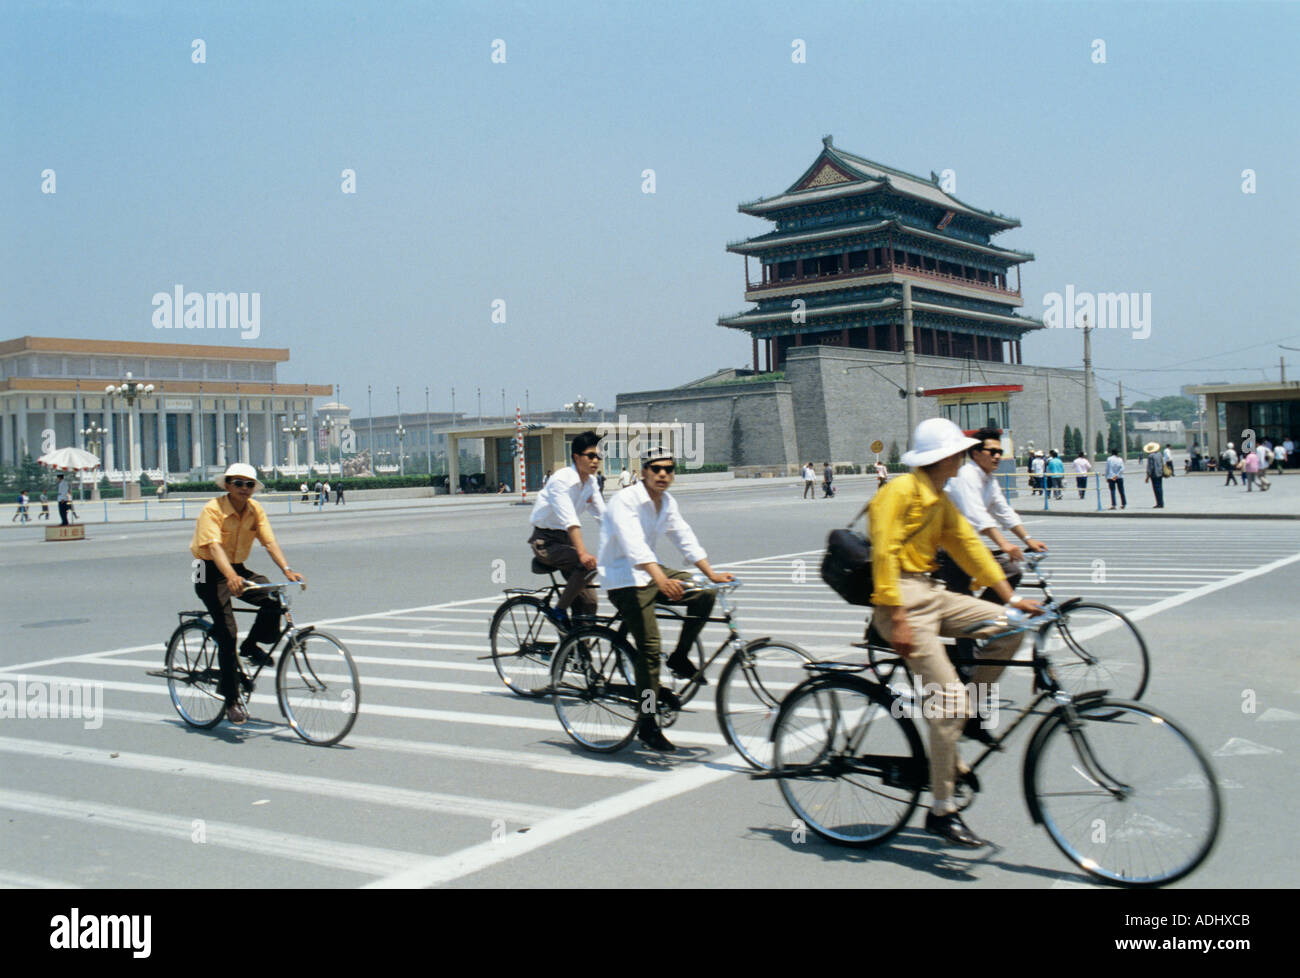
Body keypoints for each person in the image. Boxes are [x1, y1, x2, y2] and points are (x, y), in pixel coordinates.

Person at [868, 418, 1043, 847]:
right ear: (942, 457)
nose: (964, 458)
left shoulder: (939, 499)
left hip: (932, 592)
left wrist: (1010, 596)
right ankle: (942, 811)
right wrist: (898, 617)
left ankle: (960, 718)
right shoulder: (897, 493)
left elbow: (966, 545)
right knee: (949, 701)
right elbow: (884, 553)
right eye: (958, 452)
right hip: (899, 602)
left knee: (1012, 628)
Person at [599, 446, 734, 752]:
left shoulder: (667, 502)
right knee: (649, 649)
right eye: (656, 469)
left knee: (704, 593)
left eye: (669, 470)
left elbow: (683, 536)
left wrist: (710, 573)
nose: (663, 474)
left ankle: (680, 656)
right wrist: (660, 579)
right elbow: (633, 544)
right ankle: (647, 722)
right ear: (643, 472)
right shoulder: (625, 500)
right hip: (623, 577)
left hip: (651, 571)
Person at [190, 463, 305, 725]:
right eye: (238, 483)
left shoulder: (255, 510)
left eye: (249, 484)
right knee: (226, 631)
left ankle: (251, 645)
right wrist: (230, 576)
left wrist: (286, 570)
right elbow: (214, 547)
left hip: (236, 567)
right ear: (227, 485)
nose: (244, 489)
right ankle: (231, 700)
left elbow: (269, 541)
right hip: (204, 568)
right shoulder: (213, 509)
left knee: (273, 597)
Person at [527, 430, 606, 626]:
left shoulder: (591, 482)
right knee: (584, 564)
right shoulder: (561, 480)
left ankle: (579, 651)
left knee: (589, 602)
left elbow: (606, 518)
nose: (596, 460)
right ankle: (558, 610)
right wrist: (583, 554)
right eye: (591, 456)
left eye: (599, 456)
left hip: (566, 541)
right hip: (545, 542)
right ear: (576, 457)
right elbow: (570, 520)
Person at [1143, 441, 1165, 508]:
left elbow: (1150, 467)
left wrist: (1147, 476)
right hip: (1160, 473)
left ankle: (1159, 503)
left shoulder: (1151, 456)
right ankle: (1161, 502)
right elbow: (1162, 463)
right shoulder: (1159, 454)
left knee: (1156, 489)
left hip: (1154, 474)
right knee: (1160, 488)